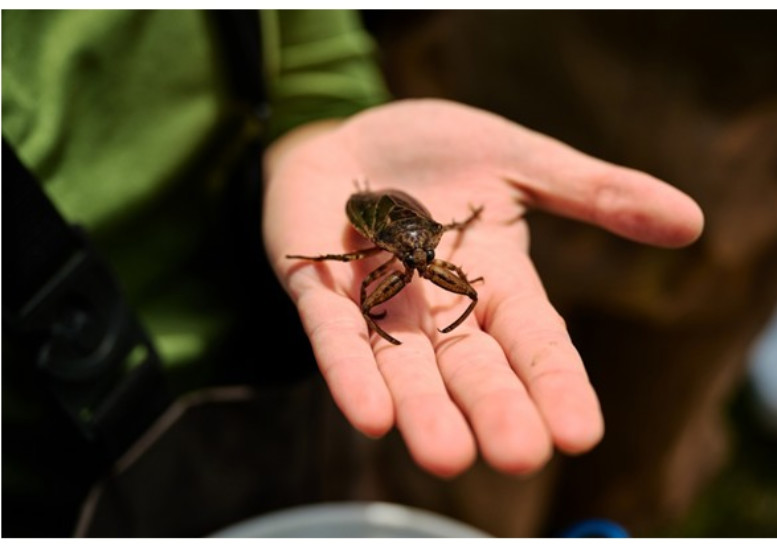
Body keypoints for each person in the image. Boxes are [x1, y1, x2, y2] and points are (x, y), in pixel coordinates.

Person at [2, 10, 701, 535]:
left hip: (260, 361)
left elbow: (312, 58)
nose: (422, 270)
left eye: (425, 261)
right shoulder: (386, 255)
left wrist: (323, 121)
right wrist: (361, 293)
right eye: (419, 263)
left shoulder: (423, 251)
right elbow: (365, 278)